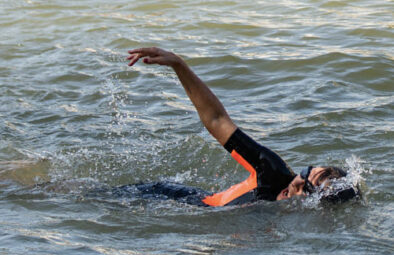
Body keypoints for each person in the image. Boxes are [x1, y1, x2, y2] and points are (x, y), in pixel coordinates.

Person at [125, 47, 360, 207]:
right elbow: (217, 119)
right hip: (169, 200)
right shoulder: (271, 171)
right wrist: (179, 65)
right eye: (305, 173)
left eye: (307, 188)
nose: (297, 182)